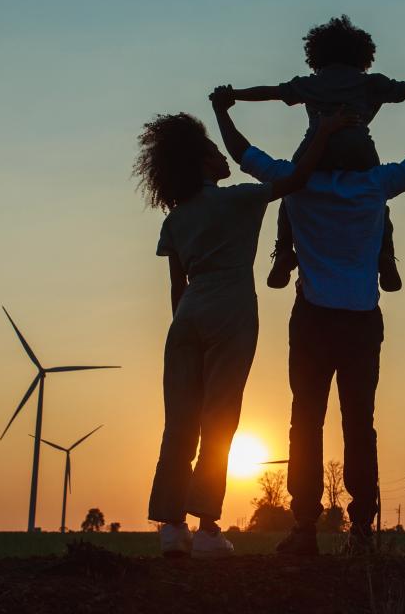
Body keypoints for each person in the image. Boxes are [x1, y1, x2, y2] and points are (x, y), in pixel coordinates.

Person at [212, 79, 405, 555]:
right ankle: (362, 532)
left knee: (304, 421)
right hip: (361, 321)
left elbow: (243, 153)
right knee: (360, 422)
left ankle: (304, 528)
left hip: (312, 319)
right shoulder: (376, 184)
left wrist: (221, 109)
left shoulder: (299, 184)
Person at [137, 107, 357, 558]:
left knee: (178, 424)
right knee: (220, 419)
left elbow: (177, 289)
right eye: (217, 153)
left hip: (185, 320)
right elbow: (297, 178)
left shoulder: (174, 220)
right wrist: (324, 129)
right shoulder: (239, 198)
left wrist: (187, 326)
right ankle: (208, 530)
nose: (224, 159)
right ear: (203, 164)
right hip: (231, 309)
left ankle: (171, 529)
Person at [224, 15, 405, 292]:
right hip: (358, 153)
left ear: (317, 55)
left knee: (290, 193)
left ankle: (284, 250)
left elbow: (271, 93)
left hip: (315, 153)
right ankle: (385, 254)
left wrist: (234, 95)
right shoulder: (371, 84)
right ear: (362, 55)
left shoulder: (312, 84)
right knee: (377, 200)